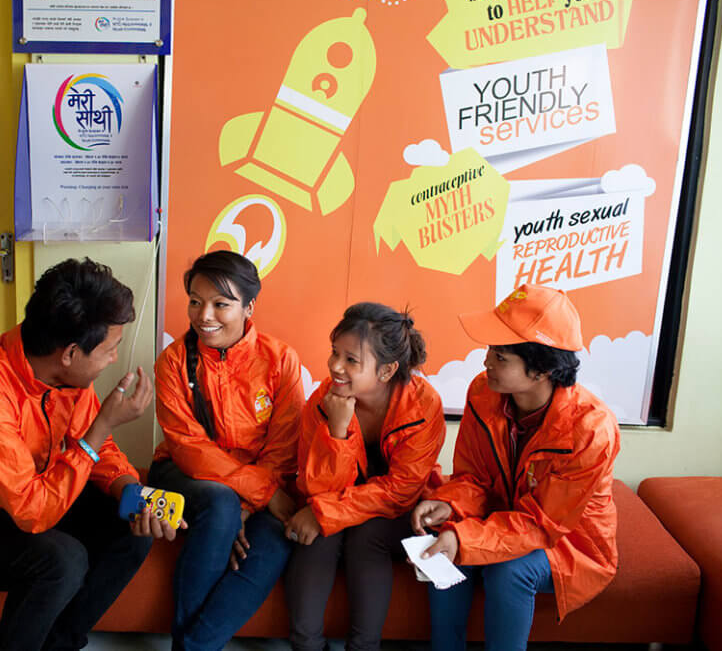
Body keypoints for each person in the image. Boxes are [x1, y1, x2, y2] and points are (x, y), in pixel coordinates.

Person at [0, 258, 181, 651]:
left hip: (31, 491)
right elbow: (34, 511)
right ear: (70, 352)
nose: (113, 360)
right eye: (110, 350)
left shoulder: (63, 372)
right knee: (62, 561)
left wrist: (131, 491)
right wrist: (104, 423)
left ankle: (59, 643)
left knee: (130, 524)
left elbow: (95, 448)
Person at [412, 284, 621, 651]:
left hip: (569, 542)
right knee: (449, 535)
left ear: (541, 370)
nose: (486, 362)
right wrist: (451, 505)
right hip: (507, 518)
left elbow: (543, 524)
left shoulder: (591, 429)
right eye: (490, 350)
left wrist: (465, 538)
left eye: (501, 356)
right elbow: (473, 477)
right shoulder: (483, 392)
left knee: (508, 570)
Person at [149, 250, 305, 651]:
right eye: (196, 302)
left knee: (276, 534)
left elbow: (283, 448)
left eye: (221, 304)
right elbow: (188, 447)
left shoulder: (280, 359)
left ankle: (195, 646)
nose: (205, 316)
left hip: (260, 483)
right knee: (218, 503)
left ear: (249, 306)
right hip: (184, 475)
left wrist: (249, 507)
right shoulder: (173, 362)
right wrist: (257, 495)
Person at [284, 302, 445, 651]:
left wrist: (326, 513)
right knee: (318, 537)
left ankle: (364, 647)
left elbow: (401, 491)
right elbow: (314, 487)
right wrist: (338, 431)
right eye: (334, 353)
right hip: (336, 503)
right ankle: (307, 645)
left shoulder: (424, 405)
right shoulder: (322, 400)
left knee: (364, 535)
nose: (335, 367)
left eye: (351, 360)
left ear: (386, 371)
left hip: (399, 512)